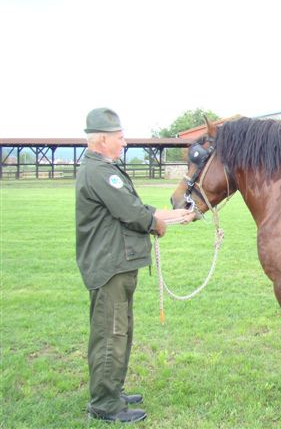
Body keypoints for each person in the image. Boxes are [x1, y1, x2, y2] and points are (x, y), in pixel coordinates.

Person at [76, 108, 195, 423]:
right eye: (120, 137)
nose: (125, 142)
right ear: (102, 139)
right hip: (110, 265)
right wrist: (157, 224)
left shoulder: (101, 168)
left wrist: (176, 215)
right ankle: (104, 403)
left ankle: (112, 390)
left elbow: (138, 208)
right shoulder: (100, 172)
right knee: (110, 333)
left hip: (118, 262)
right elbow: (133, 214)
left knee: (120, 331)